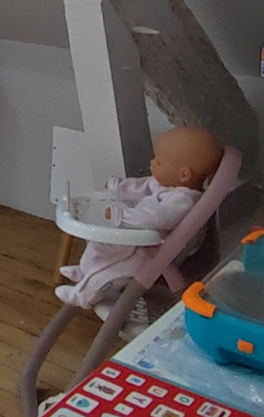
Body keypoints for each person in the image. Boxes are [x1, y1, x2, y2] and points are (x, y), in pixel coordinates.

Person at [56, 125, 224, 320]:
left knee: (115, 269)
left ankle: (82, 295)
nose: (152, 163)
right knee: (100, 244)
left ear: (184, 174)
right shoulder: (166, 183)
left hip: (152, 250)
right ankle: (85, 271)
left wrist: (123, 216)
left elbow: (155, 217)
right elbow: (141, 187)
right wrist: (117, 187)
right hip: (139, 238)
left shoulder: (182, 201)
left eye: (158, 161)